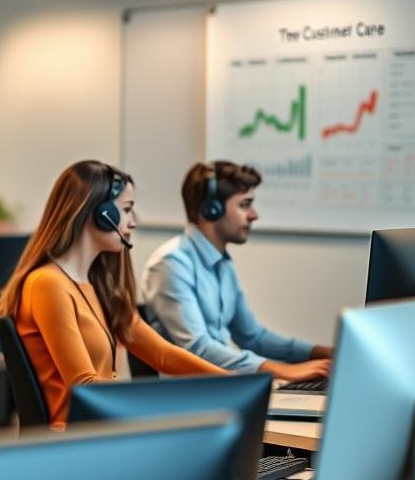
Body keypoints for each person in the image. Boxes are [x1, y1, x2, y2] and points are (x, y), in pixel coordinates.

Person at [0, 160, 225, 429]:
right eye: (127, 210)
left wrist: (234, 381)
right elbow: (85, 387)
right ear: (101, 214)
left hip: (103, 431)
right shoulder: (48, 284)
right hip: (75, 442)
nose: (134, 221)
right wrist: (155, 406)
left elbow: (162, 354)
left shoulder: (98, 284)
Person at [140, 161, 332, 382]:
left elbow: (253, 338)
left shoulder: (222, 263)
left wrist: (319, 352)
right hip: (189, 398)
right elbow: (197, 347)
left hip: (222, 387)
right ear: (211, 210)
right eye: (245, 205)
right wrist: (279, 370)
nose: (254, 215)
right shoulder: (171, 264)